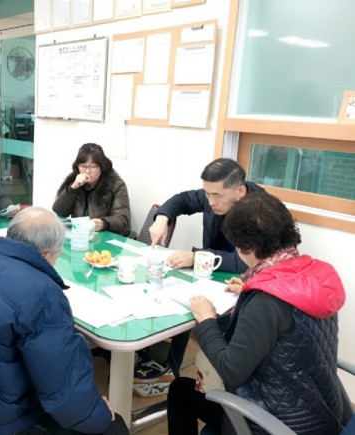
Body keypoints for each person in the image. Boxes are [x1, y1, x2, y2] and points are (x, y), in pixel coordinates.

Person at [0, 207, 129, 435]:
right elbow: (63, 393)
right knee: (113, 427)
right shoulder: (42, 294)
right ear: (46, 256)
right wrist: (99, 415)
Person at [167, 192, 346, 435]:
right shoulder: (315, 275)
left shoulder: (266, 302)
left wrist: (207, 320)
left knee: (180, 392)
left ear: (248, 247)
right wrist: (250, 290)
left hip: (276, 423)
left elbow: (230, 371)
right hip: (321, 413)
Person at [137, 158, 265, 390]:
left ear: (240, 191)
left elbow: (249, 261)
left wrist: (197, 257)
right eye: (207, 194)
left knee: (210, 318)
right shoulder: (213, 194)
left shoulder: (261, 211)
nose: (210, 201)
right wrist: (163, 218)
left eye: (216, 196)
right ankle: (169, 367)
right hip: (211, 273)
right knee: (187, 299)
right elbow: (182, 200)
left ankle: (214, 384)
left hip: (243, 281)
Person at [52, 143, 131, 237]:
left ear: (102, 167)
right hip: (80, 235)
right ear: (77, 166)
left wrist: (103, 223)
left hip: (105, 237)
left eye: (93, 167)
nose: (87, 171)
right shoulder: (74, 182)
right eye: (83, 166)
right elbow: (59, 211)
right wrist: (73, 188)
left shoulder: (116, 185)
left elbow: (122, 219)